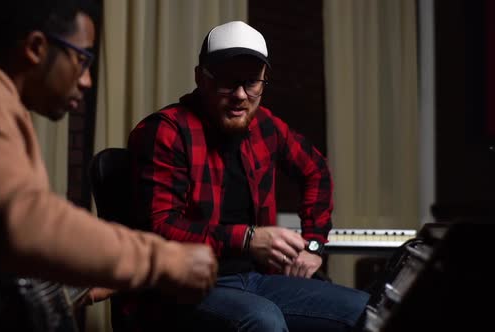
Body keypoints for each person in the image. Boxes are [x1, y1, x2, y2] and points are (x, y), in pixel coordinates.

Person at [0, 0, 217, 330]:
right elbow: (26, 221)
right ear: (36, 48)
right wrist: (162, 260)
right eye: (82, 60)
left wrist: (77, 283)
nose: (86, 81)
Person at [124, 21, 370, 331]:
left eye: (252, 83)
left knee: (366, 311)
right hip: (181, 287)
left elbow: (315, 170)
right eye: (228, 81)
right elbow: (161, 227)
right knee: (263, 319)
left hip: (257, 280)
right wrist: (247, 239)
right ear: (201, 78)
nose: (240, 95)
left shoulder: (265, 126)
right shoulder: (165, 131)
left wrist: (314, 246)